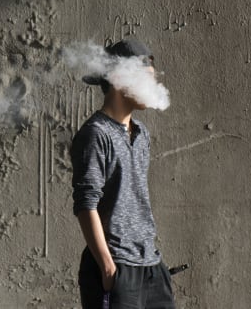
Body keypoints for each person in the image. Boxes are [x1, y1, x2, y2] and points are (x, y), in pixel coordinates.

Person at [70, 38, 177, 309]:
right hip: (117, 270)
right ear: (120, 78)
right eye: (146, 78)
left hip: (152, 267)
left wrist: (156, 267)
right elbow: (86, 204)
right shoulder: (96, 134)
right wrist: (108, 269)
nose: (153, 87)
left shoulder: (141, 135)